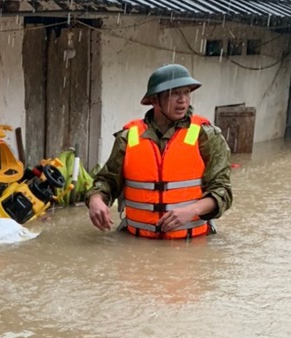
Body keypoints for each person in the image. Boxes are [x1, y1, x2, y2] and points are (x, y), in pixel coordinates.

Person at [86, 64, 233, 239]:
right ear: (155, 100)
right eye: (174, 94)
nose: (183, 100)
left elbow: (223, 191)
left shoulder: (206, 135)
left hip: (191, 244)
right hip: (137, 243)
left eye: (186, 92)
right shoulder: (128, 137)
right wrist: (95, 200)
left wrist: (193, 210)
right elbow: (107, 181)